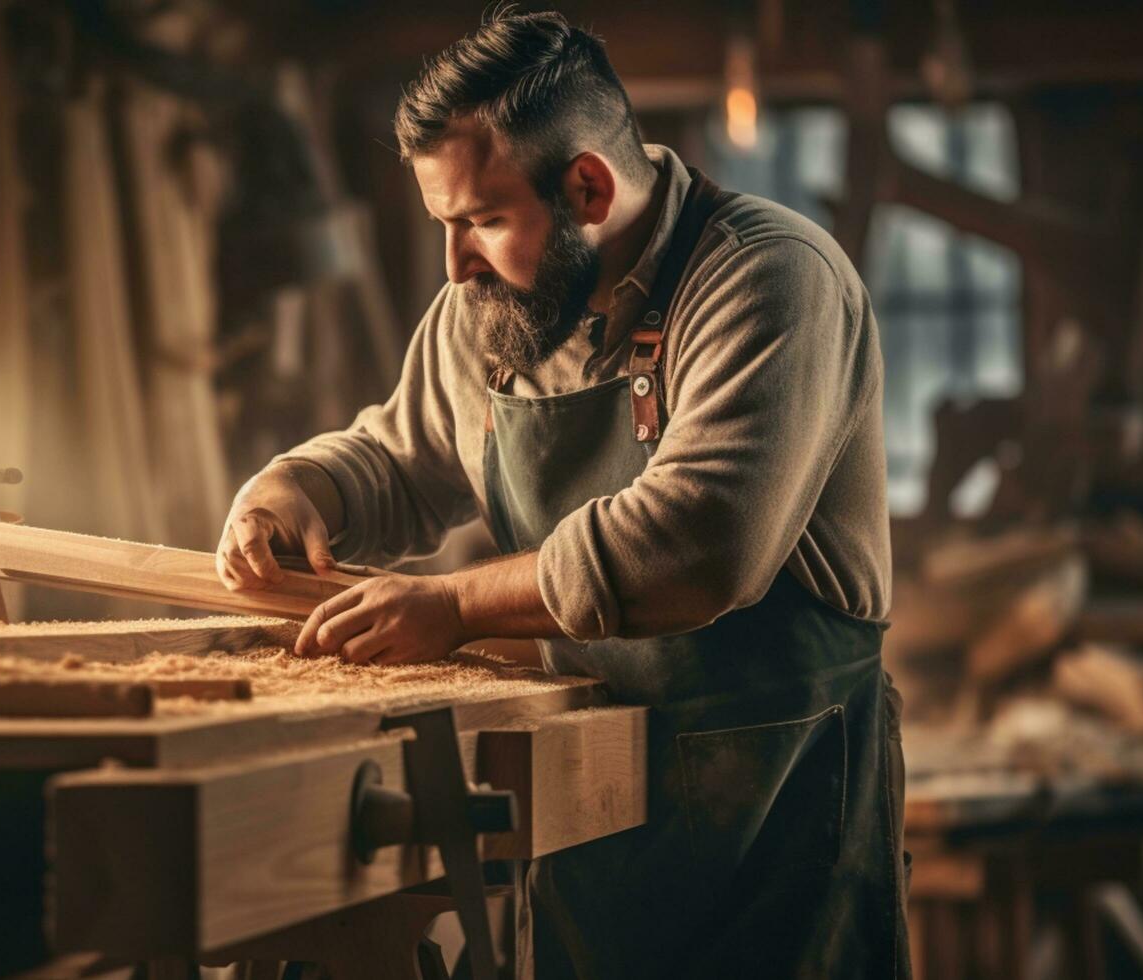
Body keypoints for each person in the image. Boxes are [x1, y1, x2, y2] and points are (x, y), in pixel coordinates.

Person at [215, 9, 908, 978]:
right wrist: (298, 488)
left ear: (587, 186)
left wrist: (453, 604)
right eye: (443, 225)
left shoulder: (768, 278)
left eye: (481, 220)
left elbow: (699, 540)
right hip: (595, 851)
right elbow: (396, 454)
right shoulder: (492, 309)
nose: (454, 265)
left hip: (780, 858)